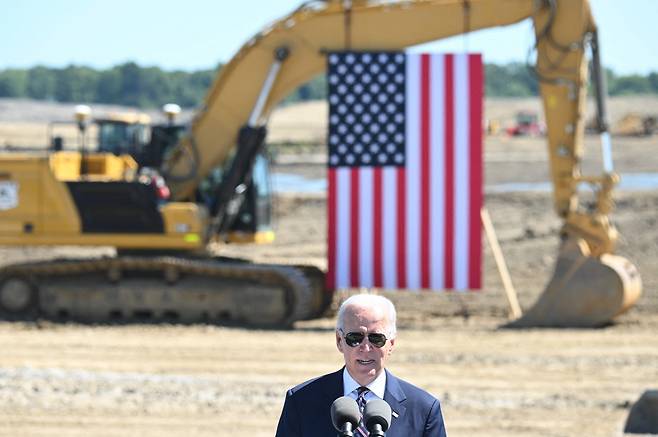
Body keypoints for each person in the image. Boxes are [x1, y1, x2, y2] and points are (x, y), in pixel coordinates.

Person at [275, 294, 447, 436]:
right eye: (354, 338)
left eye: (376, 339)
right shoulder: (301, 401)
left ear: (391, 344)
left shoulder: (424, 410)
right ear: (339, 341)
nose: (365, 348)